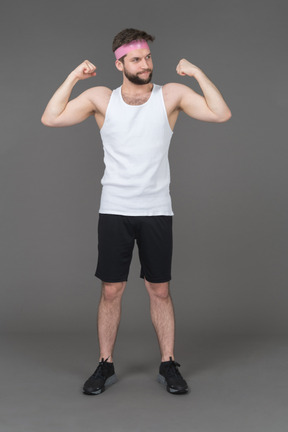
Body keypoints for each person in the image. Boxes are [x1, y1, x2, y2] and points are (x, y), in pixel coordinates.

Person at [41, 28, 231, 396]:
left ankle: (169, 363)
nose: (145, 64)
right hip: (114, 209)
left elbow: (220, 114)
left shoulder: (171, 95)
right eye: (136, 59)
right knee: (112, 290)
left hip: (157, 209)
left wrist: (197, 72)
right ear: (120, 64)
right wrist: (72, 78)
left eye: (147, 57)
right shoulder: (100, 98)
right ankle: (104, 364)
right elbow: (51, 118)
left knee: (159, 290)